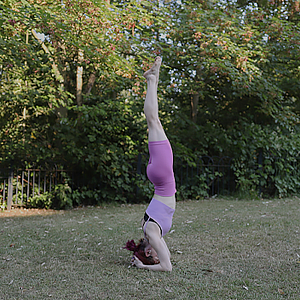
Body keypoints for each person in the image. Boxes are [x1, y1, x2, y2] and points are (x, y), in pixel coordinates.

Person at [124, 57, 176, 272]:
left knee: (153, 120)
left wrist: (145, 266)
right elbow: (166, 258)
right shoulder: (149, 231)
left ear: (148, 251)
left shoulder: (152, 234)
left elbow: (167, 267)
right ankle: (152, 79)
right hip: (158, 176)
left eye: (152, 256)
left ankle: (152, 79)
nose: (159, 252)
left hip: (163, 176)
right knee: (154, 121)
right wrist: (145, 261)